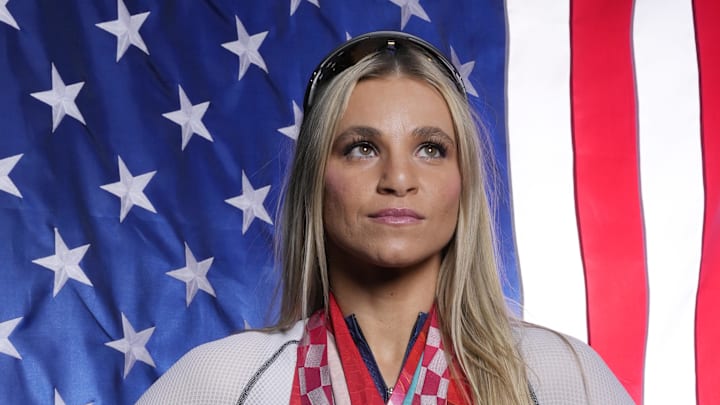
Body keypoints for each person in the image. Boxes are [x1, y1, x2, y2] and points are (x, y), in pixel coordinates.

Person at [137, 31, 634, 405]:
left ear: (463, 183)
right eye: (362, 148)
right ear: (316, 179)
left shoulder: (559, 376)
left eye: (431, 149)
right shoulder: (225, 381)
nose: (398, 177)